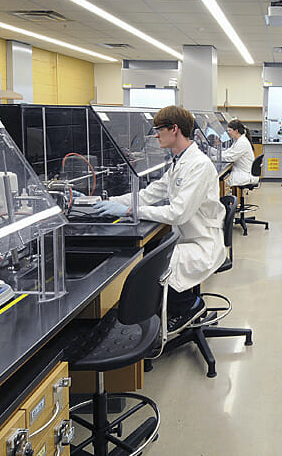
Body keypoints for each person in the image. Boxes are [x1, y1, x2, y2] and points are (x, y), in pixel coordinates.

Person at [93, 105, 226, 332]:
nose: (155, 135)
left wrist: (128, 211)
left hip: (202, 244)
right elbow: (149, 194)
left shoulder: (199, 166)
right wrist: (103, 201)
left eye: (159, 129)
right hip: (186, 238)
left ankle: (191, 306)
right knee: (152, 256)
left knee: (151, 268)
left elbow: (177, 212)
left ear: (174, 129)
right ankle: (174, 308)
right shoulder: (179, 161)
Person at [222, 119, 258, 188]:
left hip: (244, 174)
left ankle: (227, 198)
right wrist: (214, 152)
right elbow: (229, 152)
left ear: (236, 131)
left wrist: (214, 157)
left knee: (222, 182)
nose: (228, 132)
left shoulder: (242, 143)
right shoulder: (238, 141)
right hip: (241, 171)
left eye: (229, 130)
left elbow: (231, 157)